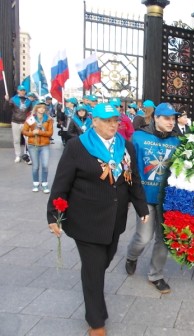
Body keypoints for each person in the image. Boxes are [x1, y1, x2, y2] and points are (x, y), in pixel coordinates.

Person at [46, 103, 149, 336]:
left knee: (104, 260)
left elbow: (134, 179)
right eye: (107, 120)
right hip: (86, 221)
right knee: (93, 270)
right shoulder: (76, 147)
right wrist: (53, 214)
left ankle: (92, 278)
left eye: (115, 121)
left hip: (114, 220)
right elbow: (61, 183)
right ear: (94, 121)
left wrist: (141, 207)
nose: (113, 125)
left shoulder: (126, 148)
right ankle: (96, 321)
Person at [125, 102, 180, 294]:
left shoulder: (177, 141)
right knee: (143, 237)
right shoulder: (139, 137)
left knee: (163, 239)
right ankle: (132, 256)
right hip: (145, 197)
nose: (171, 122)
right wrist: (132, 196)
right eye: (166, 118)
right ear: (156, 118)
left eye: (173, 118)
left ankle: (156, 275)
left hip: (166, 199)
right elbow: (131, 168)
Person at [22, 99, 54, 193]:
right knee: (35, 166)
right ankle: (35, 183)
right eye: (40, 107)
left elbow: (50, 133)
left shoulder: (48, 119)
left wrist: (39, 132)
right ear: (36, 108)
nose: (42, 109)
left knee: (45, 166)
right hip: (33, 145)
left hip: (45, 145)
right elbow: (24, 131)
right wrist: (32, 133)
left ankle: (44, 183)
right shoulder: (30, 119)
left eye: (43, 108)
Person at [3, 85, 32, 163]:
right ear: (18, 91)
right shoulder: (13, 99)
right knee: (16, 140)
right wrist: (6, 100)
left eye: (24, 90)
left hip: (25, 123)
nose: (22, 91)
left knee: (28, 139)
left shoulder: (28, 101)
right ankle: (17, 155)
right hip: (15, 122)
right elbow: (6, 109)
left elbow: (31, 112)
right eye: (21, 90)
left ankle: (27, 155)